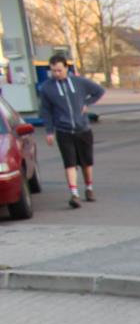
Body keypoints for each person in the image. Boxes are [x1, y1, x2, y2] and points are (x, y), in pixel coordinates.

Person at [36, 55, 105, 209]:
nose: (56, 74)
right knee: (70, 163)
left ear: (66, 68)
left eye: (59, 70)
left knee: (86, 162)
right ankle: (74, 194)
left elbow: (99, 91)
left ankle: (89, 188)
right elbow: (45, 111)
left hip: (83, 128)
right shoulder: (47, 88)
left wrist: (87, 103)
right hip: (63, 130)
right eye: (53, 71)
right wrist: (49, 131)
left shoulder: (79, 82)